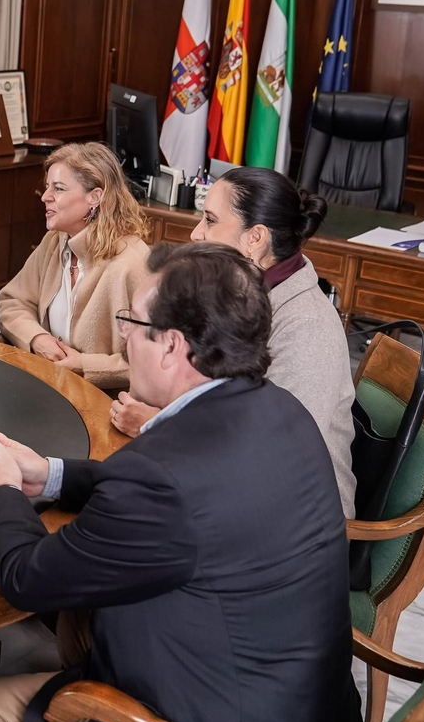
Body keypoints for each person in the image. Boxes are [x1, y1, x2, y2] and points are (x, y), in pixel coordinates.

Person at [0, 242, 363, 722]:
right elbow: (168, 494)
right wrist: (50, 475)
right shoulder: (279, 411)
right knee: (80, 628)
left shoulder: (161, 479)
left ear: (173, 346)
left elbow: (26, 578)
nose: (123, 340)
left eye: (133, 325)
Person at [111, 166, 357, 515]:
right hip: (228, 482)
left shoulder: (307, 327)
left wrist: (156, 423)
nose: (196, 234)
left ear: (255, 238)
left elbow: (279, 451)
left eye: (210, 220)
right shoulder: (234, 292)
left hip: (293, 518)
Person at [0, 143, 151, 389]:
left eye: (58, 188)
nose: (45, 196)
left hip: (104, 402)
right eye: (47, 187)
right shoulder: (55, 241)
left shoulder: (133, 265)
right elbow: (12, 302)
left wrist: (85, 365)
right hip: (49, 386)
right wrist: (37, 338)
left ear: (94, 197)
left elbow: (153, 360)